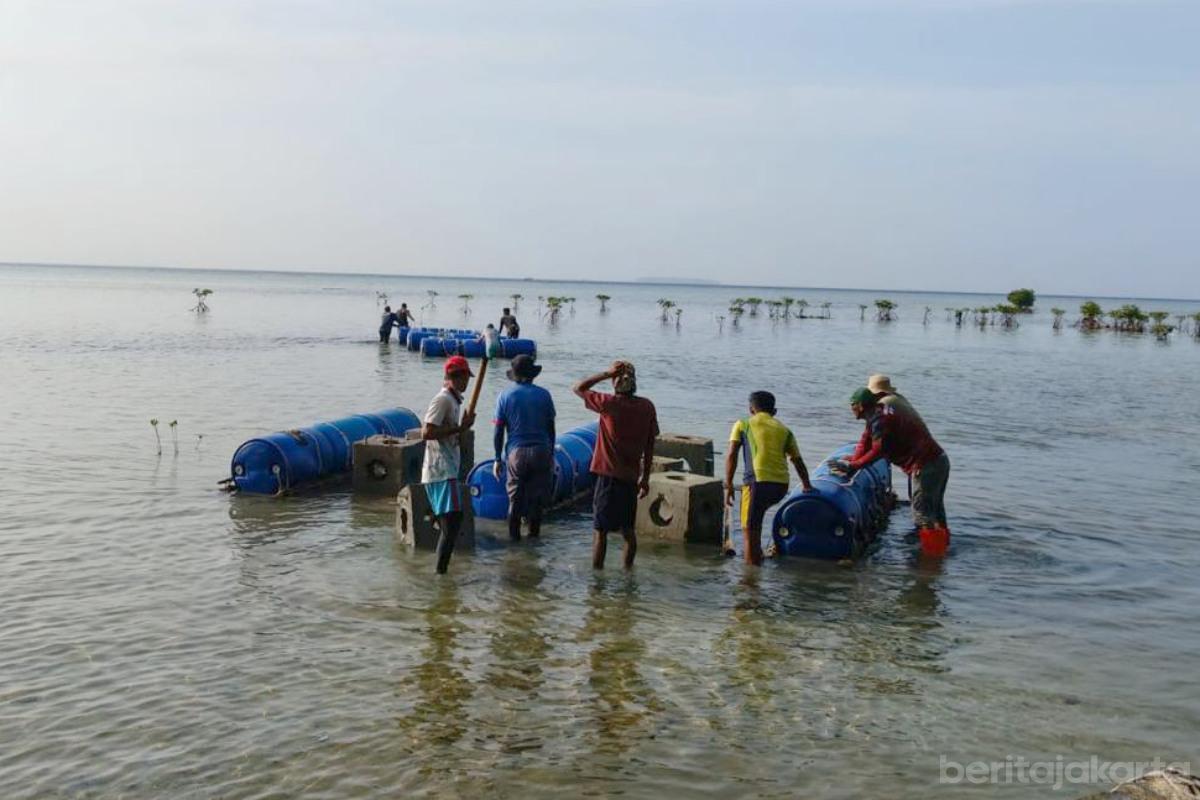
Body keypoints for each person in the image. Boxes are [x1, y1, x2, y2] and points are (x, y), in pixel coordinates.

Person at [840, 387, 951, 556]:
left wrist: (855, 466)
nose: (851, 409)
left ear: (860, 406)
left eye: (852, 405)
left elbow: (878, 450)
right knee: (935, 511)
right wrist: (854, 460)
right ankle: (943, 552)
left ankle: (931, 560)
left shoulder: (880, 420)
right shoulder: (878, 413)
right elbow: (865, 440)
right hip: (938, 460)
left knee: (922, 514)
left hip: (925, 465)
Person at [572, 360, 658, 570]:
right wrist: (645, 478)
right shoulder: (647, 407)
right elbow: (650, 445)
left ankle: (597, 579)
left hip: (608, 477)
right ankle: (628, 574)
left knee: (600, 531)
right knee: (628, 531)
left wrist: (606, 373)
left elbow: (578, 388)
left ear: (614, 383)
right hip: (630, 477)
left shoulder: (608, 404)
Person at [724, 391, 814, 566]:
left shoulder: (743, 424)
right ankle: (758, 560)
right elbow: (797, 461)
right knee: (757, 521)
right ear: (774, 411)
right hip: (781, 487)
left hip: (757, 484)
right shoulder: (785, 430)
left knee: (749, 533)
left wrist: (728, 486)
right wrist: (807, 485)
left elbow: (732, 455)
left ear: (751, 409)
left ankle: (750, 577)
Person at [420, 355, 477, 574]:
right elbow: (427, 432)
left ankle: (441, 572)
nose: (468, 382)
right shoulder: (443, 399)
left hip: (447, 469)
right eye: (466, 377)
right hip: (440, 470)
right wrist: (460, 428)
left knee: (451, 523)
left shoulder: (454, 401)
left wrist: (463, 428)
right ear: (457, 377)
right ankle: (440, 573)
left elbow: (450, 435)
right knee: (452, 523)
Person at [492, 354, 556, 541]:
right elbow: (550, 428)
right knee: (537, 501)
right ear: (533, 375)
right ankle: (533, 541)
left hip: (516, 453)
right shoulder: (544, 395)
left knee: (515, 500)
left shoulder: (505, 396)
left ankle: (514, 544)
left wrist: (497, 458)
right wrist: (551, 453)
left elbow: (498, 430)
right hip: (541, 451)